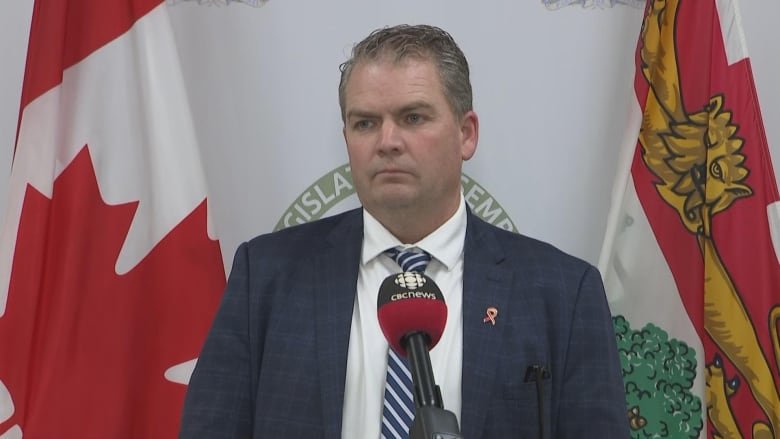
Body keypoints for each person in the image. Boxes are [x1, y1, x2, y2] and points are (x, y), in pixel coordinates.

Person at [179, 24, 628, 438]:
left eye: (413, 117)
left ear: (466, 134)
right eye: (365, 123)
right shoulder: (267, 276)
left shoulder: (563, 293)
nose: (387, 141)